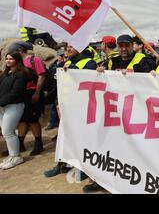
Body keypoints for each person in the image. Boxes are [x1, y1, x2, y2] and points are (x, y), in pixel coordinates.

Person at [44, 44, 97, 179]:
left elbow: (88, 80)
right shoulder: (66, 62)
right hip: (65, 106)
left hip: (81, 108)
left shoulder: (90, 62)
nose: (68, 49)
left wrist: (71, 69)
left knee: (81, 139)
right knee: (64, 137)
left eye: (72, 46)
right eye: (67, 46)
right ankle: (62, 165)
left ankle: (83, 169)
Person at [6, 41, 46, 156]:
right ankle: (20, 144)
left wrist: (37, 92)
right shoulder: (18, 62)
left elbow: (41, 76)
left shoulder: (34, 60)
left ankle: (38, 143)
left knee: (33, 119)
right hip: (21, 94)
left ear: (19, 50)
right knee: (22, 119)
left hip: (32, 92)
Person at [0, 51, 29, 169]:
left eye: (11, 59)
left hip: (14, 106)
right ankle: (12, 155)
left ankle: (16, 156)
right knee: (6, 132)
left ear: (17, 60)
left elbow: (15, 92)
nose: (8, 61)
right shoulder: (6, 74)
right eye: (7, 59)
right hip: (3, 107)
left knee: (8, 132)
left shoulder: (21, 74)